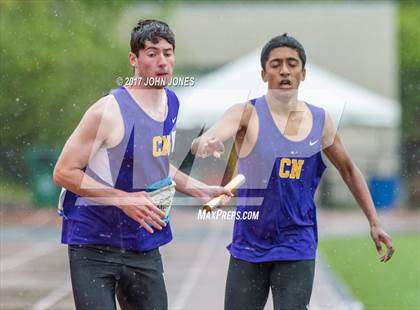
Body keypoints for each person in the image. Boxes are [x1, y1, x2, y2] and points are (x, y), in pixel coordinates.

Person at [191, 33, 395, 310]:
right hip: (249, 243)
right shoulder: (246, 114)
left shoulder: (321, 121)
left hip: (297, 243)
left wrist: (374, 220)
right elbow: (207, 138)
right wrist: (205, 143)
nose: (284, 70)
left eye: (291, 63)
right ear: (264, 73)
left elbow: (348, 169)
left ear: (303, 72)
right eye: (275, 64)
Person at [53, 19, 231, 310]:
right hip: (93, 242)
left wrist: (200, 189)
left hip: (143, 240)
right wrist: (123, 200)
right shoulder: (108, 111)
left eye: (168, 53)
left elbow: (155, 163)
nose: (162, 62)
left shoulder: (171, 104)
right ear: (134, 59)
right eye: (152, 53)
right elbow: (63, 172)